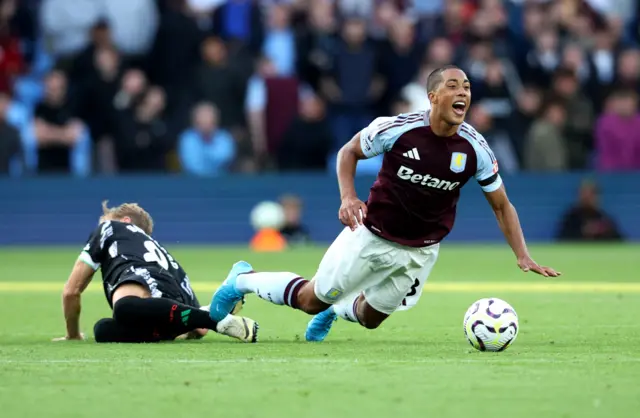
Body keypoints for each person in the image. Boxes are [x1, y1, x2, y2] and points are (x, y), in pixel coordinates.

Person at [207, 65, 560, 342]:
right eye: (453, 85)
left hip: (422, 250)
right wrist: (348, 197)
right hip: (372, 235)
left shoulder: (476, 148)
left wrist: (522, 253)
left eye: (467, 86)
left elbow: (501, 205)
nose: (463, 92)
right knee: (310, 300)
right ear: (433, 96)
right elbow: (349, 152)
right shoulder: (398, 129)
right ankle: (243, 279)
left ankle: (337, 310)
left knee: (371, 319)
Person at [53, 201, 258, 343]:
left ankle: (215, 319)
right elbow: (198, 332)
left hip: (140, 298)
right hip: (169, 314)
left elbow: (71, 291)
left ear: (124, 221)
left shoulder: (109, 228)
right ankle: (212, 311)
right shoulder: (167, 258)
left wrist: (72, 334)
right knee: (103, 329)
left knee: (124, 309)